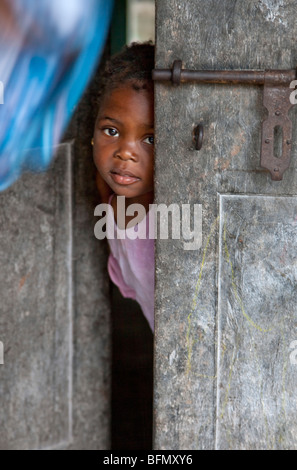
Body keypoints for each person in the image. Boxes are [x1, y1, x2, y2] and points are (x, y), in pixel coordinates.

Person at [92, 42, 155, 332]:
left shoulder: (169, 212)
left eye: (151, 139)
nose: (125, 153)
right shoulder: (108, 193)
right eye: (112, 131)